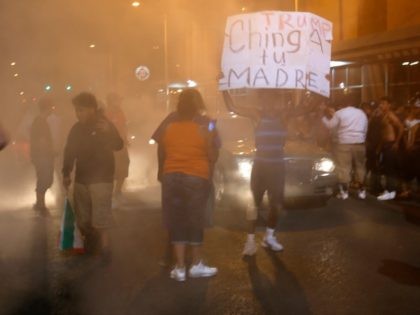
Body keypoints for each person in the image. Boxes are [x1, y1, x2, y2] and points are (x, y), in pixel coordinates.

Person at [156, 89, 218, 282]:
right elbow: (212, 155)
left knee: (177, 220)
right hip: (195, 177)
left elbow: (162, 148)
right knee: (195, 219)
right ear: (197, 106)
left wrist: (162, 171)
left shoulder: (169, 125)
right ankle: (197, 264)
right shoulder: (205, 124)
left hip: (171, 176)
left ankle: (180, 267)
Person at [222, 89, 288, 256]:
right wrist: (223, 86)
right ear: (261, 100)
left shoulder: (283, 115)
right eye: (265, 98)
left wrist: (321, 86)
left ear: (276, 100)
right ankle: (250, 241)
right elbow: (232, 107)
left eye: (272, 98)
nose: (268, 102)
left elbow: (306, 108)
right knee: (253, 205)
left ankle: (269, 236)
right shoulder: (256, 115)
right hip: (260, 167)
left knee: (277, 204)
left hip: (278, 167)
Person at [62, 92, 123, 261]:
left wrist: (110, 132)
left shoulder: (104, 124)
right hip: (82, 179)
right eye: (76, 110)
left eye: (80, 110)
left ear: (91, 109)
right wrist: (66, 172)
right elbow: (70, 152)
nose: (78, 114)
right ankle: (91, 242)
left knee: (101, 217)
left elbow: (118, 145)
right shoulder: (76, 129)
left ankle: (105, 249)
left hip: (102, 178)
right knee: (83, 219)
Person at [321, 94, 368, 200]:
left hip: (344, 143)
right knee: (360, 167)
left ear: (343, 103)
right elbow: (365, 129)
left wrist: (323, 118)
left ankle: (344, 192)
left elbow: (330, 126)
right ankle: (362, 191)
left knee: (344, 167)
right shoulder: (362, 113)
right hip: (360, 143)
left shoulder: (340, 113)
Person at [30, 97, 59, 214]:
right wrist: (51, 151)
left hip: (41, 156)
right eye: (51, 107)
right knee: (45, 179)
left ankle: (39, 203)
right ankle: (40, 203)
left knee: (45, 178)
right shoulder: (40, 122)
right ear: (47, 108)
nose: (53, 109)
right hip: (42, 156)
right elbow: (42, 141)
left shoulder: (40, 121)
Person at [376, 97, 404, 201]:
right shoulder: (383, 115)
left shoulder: (390, 115)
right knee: (387, 169)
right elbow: (383, 134)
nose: (381, 105)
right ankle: (390, 191)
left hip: (390, 144)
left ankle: (390, 192)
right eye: (380, 103)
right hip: (386, 145)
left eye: (383, 103)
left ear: (389, 105)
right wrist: (379, 147)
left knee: (390, 169)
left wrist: (396, 142)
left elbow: (401, 127)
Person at [105, 93, 130, 205]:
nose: (119, 102)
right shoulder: (107, 113)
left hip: (122, 145)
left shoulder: (120, 112)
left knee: (124, 165)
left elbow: (123, 127)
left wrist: (126, 139)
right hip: (111, 147)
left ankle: (118, 192)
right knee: (112, 170)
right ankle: (111, 195)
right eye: (117, 100)